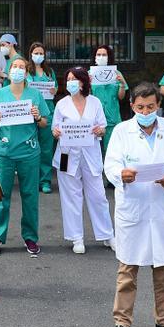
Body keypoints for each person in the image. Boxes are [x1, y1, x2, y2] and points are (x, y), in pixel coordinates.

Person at [103, 81, 164, 327]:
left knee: (163, 269)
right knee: (128, 269)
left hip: (161, 205)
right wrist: (122, 175)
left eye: (150, 106)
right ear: (132, 106)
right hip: (134, 207)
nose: (145, 111)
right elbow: (111, 164)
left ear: (159, 106)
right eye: (140, 107)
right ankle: (122, 323)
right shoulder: (121, 131)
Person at [0, 57, 51, 257]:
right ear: (10, 70)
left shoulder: (35, 95)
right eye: (14, 67)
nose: (17, 70)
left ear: (26, 73)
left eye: (21, 67)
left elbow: (44, 123)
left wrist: (37, 117)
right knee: (0, 196)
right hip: (4, 153)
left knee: (30, 196)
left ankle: (31, 237)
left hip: (29, 152)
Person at [51, 67, 114, 253]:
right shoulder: (61, 104)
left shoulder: (94, 102)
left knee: (98, 196)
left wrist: (99, 130)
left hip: (90, 153)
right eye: (68, 79)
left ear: (83, 82)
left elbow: (103, 125)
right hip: (65, 155)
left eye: (74, 79)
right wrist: (56, 132)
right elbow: (55, 129)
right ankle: (76, 237)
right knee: (71, 196)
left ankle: (107, 235)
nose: (71, 82)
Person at [26, 42, 58, 194]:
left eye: (41, 53)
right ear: (31, 54)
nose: (38, 56)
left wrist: (54, 89)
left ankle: (45, 181)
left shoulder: (49, 72)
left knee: (46, 149)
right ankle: (31, 181)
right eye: (35, 53)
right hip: (29, 114)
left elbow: (55, 88)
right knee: (31, 148)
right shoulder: (26, 71)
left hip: (47, 113)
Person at [90, 44, 127, 161]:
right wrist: (87, 84)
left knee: (112, 150)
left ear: (109, 57)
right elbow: (85, 96)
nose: (101, 57)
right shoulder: (89, 74)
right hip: (94, 118)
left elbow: (121, 97)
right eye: (98, 55)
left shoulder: (117, 74)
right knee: (94, 151)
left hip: (113, 117)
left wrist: (121, 84)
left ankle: (110, 176)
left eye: (104, 55)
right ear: (95, 57)